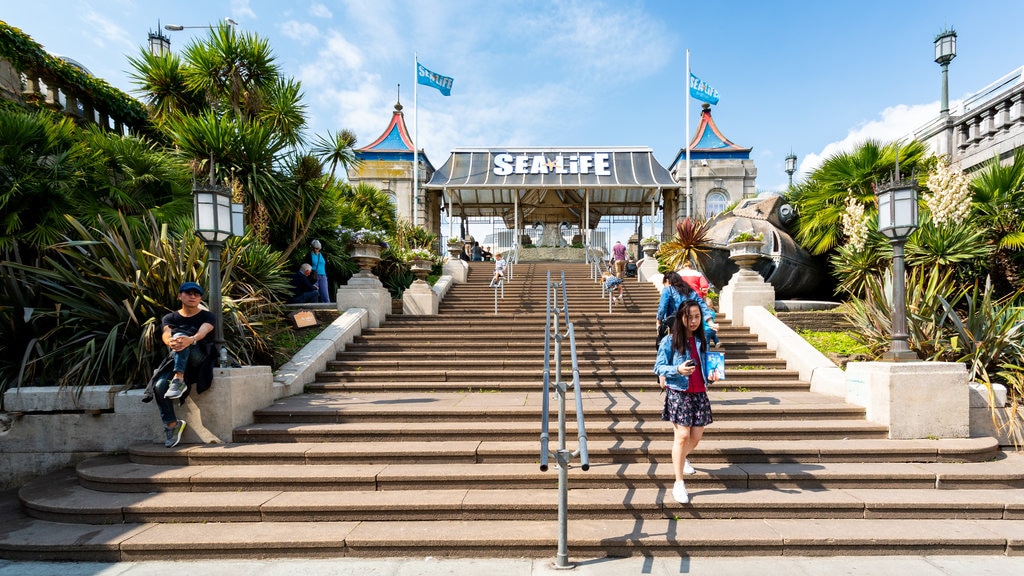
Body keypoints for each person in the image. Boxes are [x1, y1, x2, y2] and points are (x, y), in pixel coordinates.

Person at [654, 300, 720, 504]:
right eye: (689, 316)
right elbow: (659, 367)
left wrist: (711, 376)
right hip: (679, 392)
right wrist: (677, 370)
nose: (693, 321)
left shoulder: (703, 340)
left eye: (697, 316)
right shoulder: (670, 340)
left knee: (696, 437)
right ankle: (679, 482)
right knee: (682, 435)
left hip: (699, 393)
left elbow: (705, 366)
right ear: (681, 318)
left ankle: (681, 458)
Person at [143, 281, 216, 448]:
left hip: (200, 357)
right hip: (177, 356)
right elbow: (166, 334)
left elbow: (204, 331)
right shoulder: (170, 317)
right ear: (179, 296)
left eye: (196, 294)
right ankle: (172, 425)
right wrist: (171, 342)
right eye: (188, 293)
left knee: (183, 338)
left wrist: (191, 339)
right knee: (160, 386)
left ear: (200, 298)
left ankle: (179, 379)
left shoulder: (207, 316)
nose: (193, 296)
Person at [657, 271, 717, 347]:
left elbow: (662, 308)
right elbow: (702, 304)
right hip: (689, 326)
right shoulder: (690, 291)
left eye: (664, 284)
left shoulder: (667, 290)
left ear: (667, 281)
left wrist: (658, 322)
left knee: (672, 348)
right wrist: (710, 321)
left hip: (674, 326)